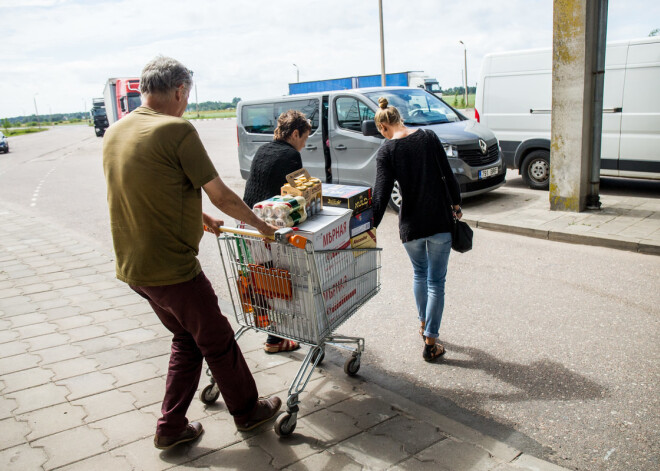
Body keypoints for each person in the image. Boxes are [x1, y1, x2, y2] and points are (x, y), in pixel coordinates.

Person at [103, 56, 282, 450]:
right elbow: (222, 195)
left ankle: (171, 428)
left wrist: (197, 216)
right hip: (173, 269)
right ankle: (249, 412)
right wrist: (264, 227)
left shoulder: (116, 131)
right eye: (187, 95)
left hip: (134, 267)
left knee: (186, 339)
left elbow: (146, 188)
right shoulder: (176, 129)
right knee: (216, 339)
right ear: (181, 91)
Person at [371, 97, 463, 362]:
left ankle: (423, 324)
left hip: (410, 224)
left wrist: (370, 227)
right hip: (438, 221)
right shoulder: (428, 137)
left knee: (419, 274)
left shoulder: (387, 152)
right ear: (399, 118)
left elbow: (381, 195)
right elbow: (448, 174)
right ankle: (431, 343)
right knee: (436, 282)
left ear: (383, 127)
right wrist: (455, 204)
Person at [242, 109, 312, 353]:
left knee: (264, 277)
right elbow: (293, 197)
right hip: (266, 226)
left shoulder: (264, 149)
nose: (304, 145)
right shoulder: (291, 155)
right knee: (275, 281)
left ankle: (271, 330)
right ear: (294, 133)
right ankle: (275, 338)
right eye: (304, 138)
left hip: (248, 221)